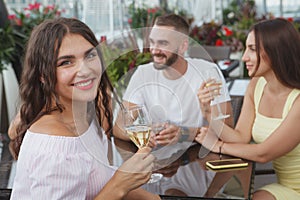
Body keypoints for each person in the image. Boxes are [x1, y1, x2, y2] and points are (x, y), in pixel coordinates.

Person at [9, 17, 160, 200]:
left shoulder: (86, 117)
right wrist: (121, 183)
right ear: (42, 75)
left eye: (90, 55)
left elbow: (98, 180)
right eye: (66, 62)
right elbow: (114, 185)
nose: (86, 70)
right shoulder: (56, 145)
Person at [196, 18, 300, 200]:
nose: (244, 57)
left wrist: (218, 145)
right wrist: (207, 113)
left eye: (252, 49)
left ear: (275, 51)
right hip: (286, 188)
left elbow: (263, 153)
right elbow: (241, 137)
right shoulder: (256, 85)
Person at [113, 13, 233, 144]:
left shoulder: (208, 72)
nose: (154, 50)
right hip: (157, 157)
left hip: (197, 155)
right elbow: (119, 128)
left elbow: (227, 129)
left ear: (182, 47)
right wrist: (144, 133)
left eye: (163, 43)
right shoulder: (143, 74)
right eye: (152, 42)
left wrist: (184, 134)